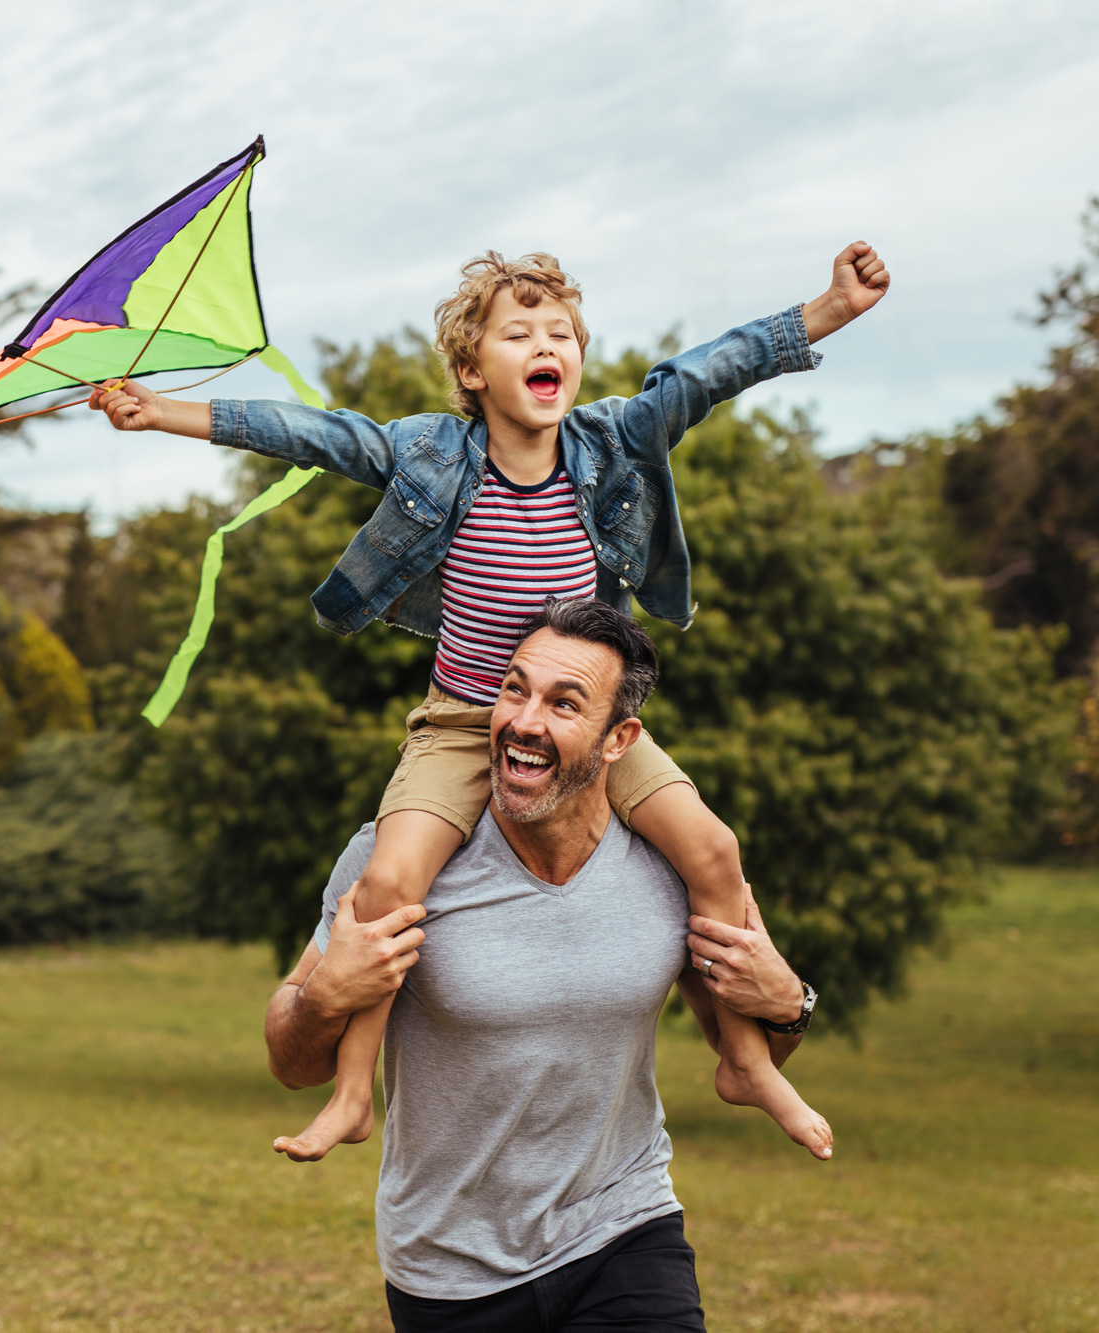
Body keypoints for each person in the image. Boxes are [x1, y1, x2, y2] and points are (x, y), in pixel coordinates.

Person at [91, 243, 888, 1160]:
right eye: (520, 333)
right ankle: (353, 1093)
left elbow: (713, 368)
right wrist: (162, 413)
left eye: (561, 334)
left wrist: (829, 309)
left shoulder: (615, 440)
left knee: (713, 848)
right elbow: (309, 432)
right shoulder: (432, 455)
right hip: (464, 718)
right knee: (387, 884)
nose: (547, 344)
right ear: (473, 369)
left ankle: (746, 1058)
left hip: (586, 723)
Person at [264, 598, 815, 1330]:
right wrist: (325, 995)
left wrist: (788, 1001)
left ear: (620, 738)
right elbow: (292, 1059)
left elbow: (751, 1046)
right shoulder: (400, 858)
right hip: (451, 1268)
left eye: (564, 703)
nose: (524, 722)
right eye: (514, 689)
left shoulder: (668, 865)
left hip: (624, 1225)